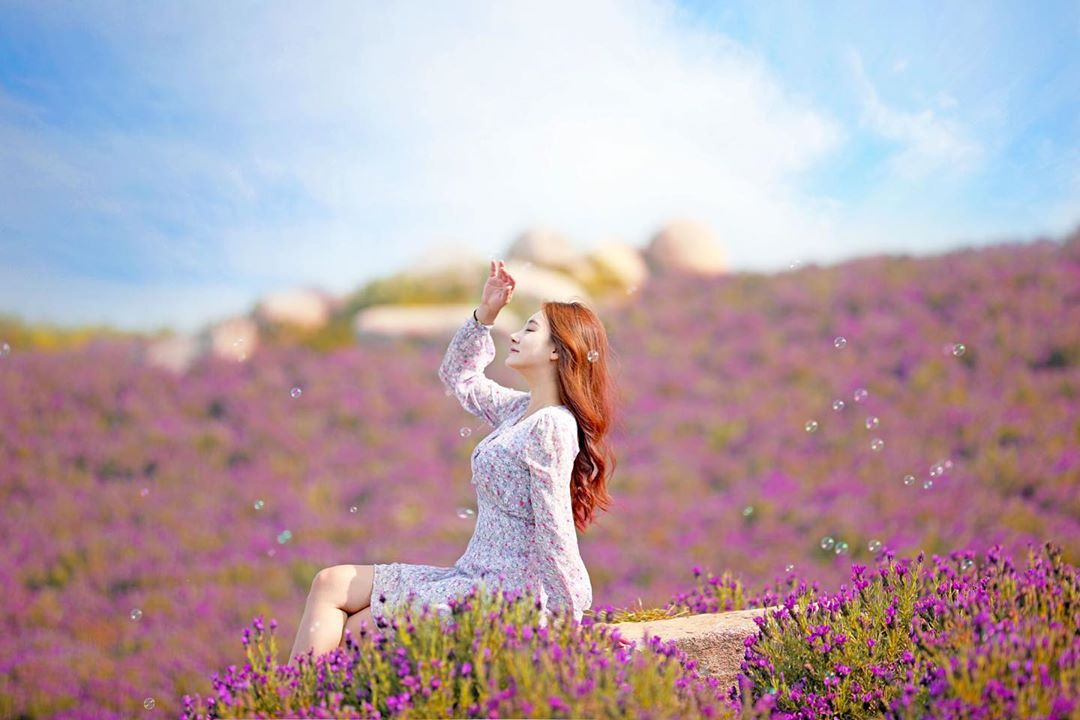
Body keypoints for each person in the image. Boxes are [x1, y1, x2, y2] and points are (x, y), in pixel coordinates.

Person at [288, 260, 617, 667]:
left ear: (557, 350)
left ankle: (292, 702)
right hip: (469, 578)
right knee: (329, 581)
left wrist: (569, 618)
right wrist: (486, 314)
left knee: (359, 629)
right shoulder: (518, 411)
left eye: (529, 329)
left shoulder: (551, 426)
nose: (515, 335)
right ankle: (286, 699)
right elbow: (459, 376)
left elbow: (556, 530)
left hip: (500, 596)